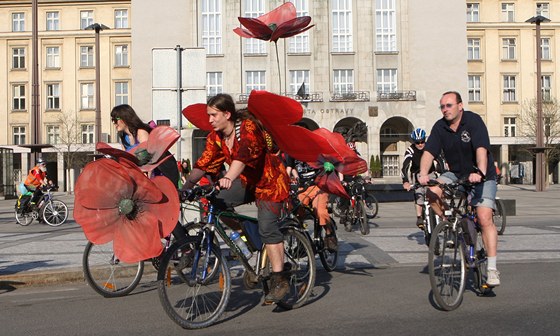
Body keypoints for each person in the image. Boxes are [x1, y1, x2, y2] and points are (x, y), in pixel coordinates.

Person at [182, 93, 291, 304]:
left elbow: (243, 155)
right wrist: (185, 188)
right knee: (216, 202)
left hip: (270, 180)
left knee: (268, 226)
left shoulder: (247, 128)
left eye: (214, 115)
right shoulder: (216, 137)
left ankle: (280, 279)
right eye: (209, 115)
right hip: (246, 180)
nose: (210, 119)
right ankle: (249, 245)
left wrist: (229, 177)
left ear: (227, 114)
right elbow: (203, 164)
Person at [417, 91, 500, 287]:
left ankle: (492, 268)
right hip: (456, 173)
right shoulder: (440, 127)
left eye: (449, 105)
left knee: (484, 216)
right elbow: (429, 152)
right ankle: (449, 223)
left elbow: (481, 148)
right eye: (442, 106)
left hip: (481, 173)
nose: (445, 109)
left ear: (460, 106)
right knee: (432, 192)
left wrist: (479, 171)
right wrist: (423, 174)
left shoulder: (473, 121)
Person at [110, 104, 186, 239]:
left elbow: (150, 160)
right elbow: (128, 161)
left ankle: (186, 247)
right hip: (147, 172)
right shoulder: (124, 138)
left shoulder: (141, 132)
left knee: (163, 211)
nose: (114, 123)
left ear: (124, 118)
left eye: (115, 119)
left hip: (163, 170)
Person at [284, 153, 337, 251]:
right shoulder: (291, 149)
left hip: (319, 186)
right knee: (296, 212)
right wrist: (284, 183)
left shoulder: (313, 145)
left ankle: (330, 235)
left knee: (320, 212)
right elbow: (289, 167)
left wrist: (329, 164)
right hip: (302, 187)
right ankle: (302, 241)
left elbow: (328, 156)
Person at [401, 128, 437, 229]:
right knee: (419, 193)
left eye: (422, 142)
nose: (420, 144)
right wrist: (406, 181)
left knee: (436, 191)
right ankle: (419, 217)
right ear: (414, 142)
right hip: (417, 174)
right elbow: (405, 167)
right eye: (417, 143)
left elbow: (439, 160)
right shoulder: (410, 150)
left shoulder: (430, 148)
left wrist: (443, 173)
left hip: (430, 172)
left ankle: (437, 213)